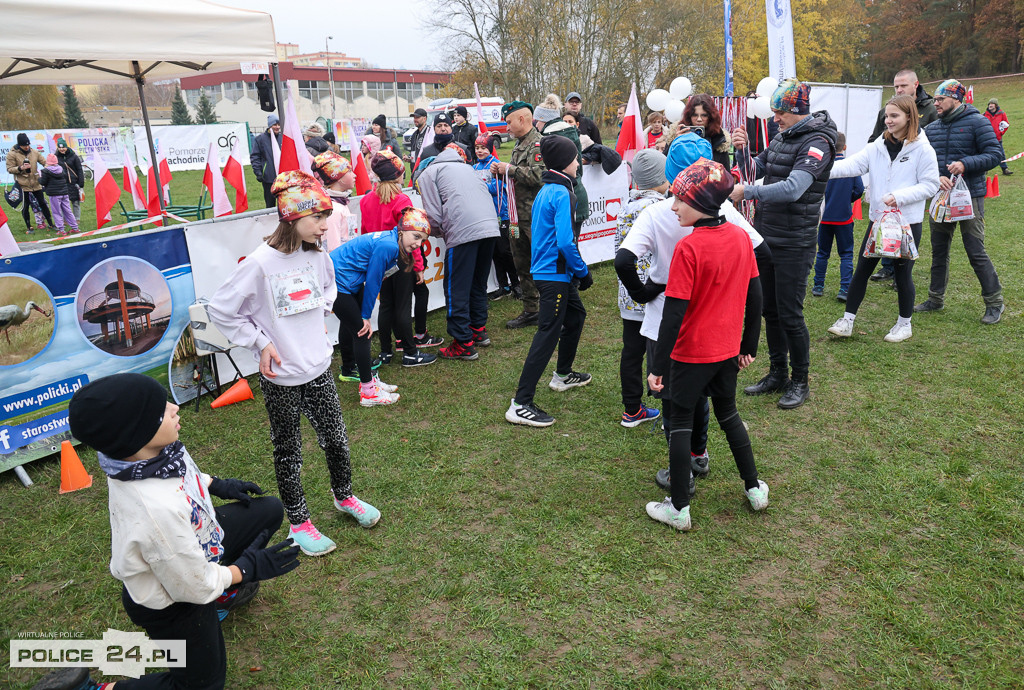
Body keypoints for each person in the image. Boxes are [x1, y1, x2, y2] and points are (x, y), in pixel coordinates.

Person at [36, 373, 301, 690]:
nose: (175, 408)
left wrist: (215, 484)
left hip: (195, 545)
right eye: (161, 410)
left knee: (267, 510)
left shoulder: (144, 455)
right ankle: (95, 689)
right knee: (201, 685)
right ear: (136, 432)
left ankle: (223, 598)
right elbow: (196, 586)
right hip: (171, 599)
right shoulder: (154, 509)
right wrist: (244, 569)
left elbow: (182, 476)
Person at [208, 170, 382, 557]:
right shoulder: (258, 263)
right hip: (281, 376)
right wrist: (261, 342)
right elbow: (221, 310)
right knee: (289, 450)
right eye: (317, 218)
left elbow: (328, 287)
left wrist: (316, 312)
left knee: (335, 439)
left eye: (325, 216)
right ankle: (300, 522)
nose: (325, 225)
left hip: (318, 367)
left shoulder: (316, 253)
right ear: (291, 218)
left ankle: (344, 496)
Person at [616, 134, 767, 493]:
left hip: (674, 336)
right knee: (718, 408)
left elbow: (662, 297)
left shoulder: (674, 229)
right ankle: (719, 465)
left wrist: (643, 292)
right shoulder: (731, 221)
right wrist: (749, 341)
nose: (674, 207)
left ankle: (680, 484)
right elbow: (760, 268)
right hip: (722, 336)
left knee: (676, 409)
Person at [645, 159, 768, 531]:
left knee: (681, 423)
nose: (673, 207)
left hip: (690, 354)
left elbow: (673, 315)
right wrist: (749, 345)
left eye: (679, 200)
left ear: (699, 203)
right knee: (728, 416)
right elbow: (756, 294)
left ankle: (678, 508)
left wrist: (658, 366)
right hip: (727, 351)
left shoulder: (689, 248)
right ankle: (755, 489)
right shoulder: (739, 237)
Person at [730, 79, 838, 410]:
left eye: (780, 113)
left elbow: (793, 189)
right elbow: (754, 170)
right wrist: (740, 149)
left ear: (797, 111)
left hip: (795, 241)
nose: (774, 119)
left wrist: (747, 193)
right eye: (774, 112)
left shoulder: (818, 142)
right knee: (769, 310)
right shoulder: (782, 136)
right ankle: (777, 372)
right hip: (766, 236)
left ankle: (800, 380)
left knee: (790, 313)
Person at [825, 95, 939, 344]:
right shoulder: (878, 145)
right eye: (886, 116)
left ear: (909, 117)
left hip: (907, 224)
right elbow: (851, 166)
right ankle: (847, 320)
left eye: (894, 116)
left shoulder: (923, 149)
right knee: (862, 270)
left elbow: (930, 185)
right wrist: (820, 170)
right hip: (878, 222)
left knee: (902, 274)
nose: (888, 120)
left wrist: (898, 197)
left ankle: (904, 324)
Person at [505, 136, 593, 427]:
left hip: (554, 273)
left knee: (576, 316)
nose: (579, 162)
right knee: (547, 335)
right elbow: (566, 243)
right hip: (553, 275)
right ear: (564, 163)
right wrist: (582, 272)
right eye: (575, 158)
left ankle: (563, 374)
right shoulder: (562, 193)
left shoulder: (548, 187)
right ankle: (521, 403)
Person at [914, 79, 1005, 324]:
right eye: (935, 99)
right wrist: (937, 178)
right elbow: (924, 163)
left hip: (970, 197)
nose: (936, 103)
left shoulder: (978, 122)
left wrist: (966, 164)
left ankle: (995, 302)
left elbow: (995, 154)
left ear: (956, 98)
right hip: (940, 198)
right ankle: (935, 299)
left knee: (975, 250)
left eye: (941, 99)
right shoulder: (931, 129)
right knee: (939, 250)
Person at [331, 208, 433, 406]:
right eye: (416, 237)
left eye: (422, 240)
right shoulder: (389, 246)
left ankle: (362, 376)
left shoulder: (393, 240)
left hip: (347, 281)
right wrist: (366, 315)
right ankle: (368, 391)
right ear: (402, 231)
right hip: (337, 282)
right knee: (362, 332)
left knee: (353, 326)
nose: (418, 244)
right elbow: (373, 280)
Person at [417, 143, 502, 359]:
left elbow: (433, 214)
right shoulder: (467, 167)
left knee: (456, 287)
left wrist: (438, 232)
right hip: (490, 227)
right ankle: (478, 329)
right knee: (477, 281)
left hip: (464, 230)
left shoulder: (428, 174)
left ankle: (462, 341)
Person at [360, 150, 440, 366]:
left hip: (379, 259)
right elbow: (410, 235)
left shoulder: (366, 199)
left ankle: (386, 351)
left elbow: (365, 231)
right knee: (403, 306)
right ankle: (410, 353)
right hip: (402, 259)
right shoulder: (401, 199)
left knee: (386, 305)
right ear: (397, 175)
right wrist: (419, 265)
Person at [867, 69, 939, 282]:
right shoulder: (886, 110)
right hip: (889, 178)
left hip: (917, 178)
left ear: (915, 85)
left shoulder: (930, 108)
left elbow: (935, 142)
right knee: (885, 220)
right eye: (896, 86)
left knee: (907, 226)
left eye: (903, 86)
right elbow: (874, 139)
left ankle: (902, 275)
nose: (899, 89)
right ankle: (887, 266)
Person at [613, 149, 667, 428]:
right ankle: (667, 401)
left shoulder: (626, 205)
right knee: (661, 347)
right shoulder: (660, 209)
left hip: (629, 294)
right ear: (661, 178)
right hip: (654, 293)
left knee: (632, 351)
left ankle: (631, 408)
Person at [492, 101, 546, 329]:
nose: (507, 127)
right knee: (522, 264)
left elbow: (540, 176)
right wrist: (502, 172)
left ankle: (552, 307)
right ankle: (531, 309)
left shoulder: (538, 144)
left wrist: (509, 169)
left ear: (522, 119)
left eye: (508, 122)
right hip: (517, 217)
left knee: (543, 264)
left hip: (535, 216)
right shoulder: (519, 144)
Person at [812, 132, 864, 301]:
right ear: (845, 147)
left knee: (822, 253)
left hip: (825, 218)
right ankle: (844, 289)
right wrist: (847, 200)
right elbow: (859, 189)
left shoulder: (824, 167)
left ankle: (818, 286)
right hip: (844, 218)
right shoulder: (851, 167)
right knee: (846, 254)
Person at [534, 93, 590, 237]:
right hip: (577, 194)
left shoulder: (550, 139)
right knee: (572, 244)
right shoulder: (570, 132)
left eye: (537, 121)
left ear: (544, 120)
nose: (536, 125)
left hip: (565, 200)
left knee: (566, 248)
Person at [474, 135, 520, 300]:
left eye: (483, 148)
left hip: (501, 214)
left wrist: (479, 186)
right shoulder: (474, 167)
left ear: (490, 148)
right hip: (485, 216)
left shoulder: (496, 165)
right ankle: (504, 286)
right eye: (477, 148)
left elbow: (498, 187)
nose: (479, 151)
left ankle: (517, 284)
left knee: (505, 251)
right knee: (494, 252)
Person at [5, 133, 54, 232]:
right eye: (24, 145)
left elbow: (44, 162)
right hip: (23, 185)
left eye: (28, 145)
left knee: (43, 203)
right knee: (26, 206)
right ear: (19, 145)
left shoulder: (34, 152)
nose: (27, 147)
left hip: (36, 183)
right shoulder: (12, 154)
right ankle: (29, 227)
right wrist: (20, 168)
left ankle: (51, 224)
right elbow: (9, 169)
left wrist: (47, 167)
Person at [311, 150, 356, 252]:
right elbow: (333, 249)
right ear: (338, 178)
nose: (354, 175)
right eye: (349, 171)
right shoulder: (334, 209)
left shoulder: (341, 203)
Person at [682, 94, 732, 170]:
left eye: (704, 115)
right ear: (689, 116)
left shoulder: (719, 140)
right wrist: (675, 143)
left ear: (711, 117)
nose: (699, 119)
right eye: (695, 115)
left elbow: (726, 177)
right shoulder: (678, 135)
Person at [39, 153, 78, 236]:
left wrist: (39, 178)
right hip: (64, 193)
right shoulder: (61, 169)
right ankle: (75, 228)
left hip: (54, 194)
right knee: (68, 210)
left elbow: (42, 182)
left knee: (56, 212)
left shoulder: (46, 171)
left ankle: (61, 229)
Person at [251, 114, 282, 208]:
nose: (277, 127)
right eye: (274, 125)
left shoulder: (282, 137)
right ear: (269, 126)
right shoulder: (260, 139)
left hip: (282, 177)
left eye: (278, 125)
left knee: (283, 203)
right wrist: (259, 172)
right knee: (270, 204)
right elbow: (255, 156)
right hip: (268, 177)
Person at [55, 137, 85, 224]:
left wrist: (81, 182)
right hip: (62, 183)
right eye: (59, 147)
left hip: (74, 182)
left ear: (66, 147)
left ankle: (77, 218)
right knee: (64, 203)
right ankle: (65, 219)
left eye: (63, 147)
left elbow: (79, 169)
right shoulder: (56, 157)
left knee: (75, 201)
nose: (61, 149)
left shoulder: (74, 156)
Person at [984, 98, 1013, 175]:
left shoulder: (1002, 114)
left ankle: (1005, 169)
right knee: (986, 154)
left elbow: (1006, 124)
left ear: (995, 105)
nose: (990, 105)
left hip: (998, 138)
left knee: (1001, 154)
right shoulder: (984, 115)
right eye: (989, 104)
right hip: (987, 138)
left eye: (992, 104)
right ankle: (985, 169)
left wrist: (1001, 132)